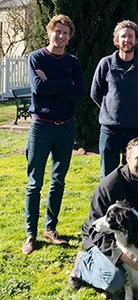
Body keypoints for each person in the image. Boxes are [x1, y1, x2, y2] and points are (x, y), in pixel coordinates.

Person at [21, 15, 86, 255]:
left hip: (66, 127)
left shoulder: (73, 62)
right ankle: (31, 235)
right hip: (41, 127)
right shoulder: (36, 57)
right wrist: (66, 84)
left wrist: (56, 85)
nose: (60, 36)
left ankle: (51, 228)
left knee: (58, 181)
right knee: (34, 182)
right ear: (49, 32)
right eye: (57, 31)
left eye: (65, 33)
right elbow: (38, 89)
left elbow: (79, 91)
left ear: (69, 37)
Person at [68, 137, 138, 295]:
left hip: (127, 235)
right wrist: (123, 257)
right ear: (127, 158)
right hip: (99, 236)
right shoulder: (110, 186)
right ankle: (82, 264)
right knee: (115, 280)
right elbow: (95, 230)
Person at [90, 20, 138, 179]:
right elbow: (95, 92)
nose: (127, 40)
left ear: (137, 40)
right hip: (109, 129)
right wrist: (110, 110)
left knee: (134, 173)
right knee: (108, 175)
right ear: (117, 40)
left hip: (135, 128)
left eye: (131, 36)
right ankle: (108, 204)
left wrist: (136, 109)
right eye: (123, 36)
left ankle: (131, 204)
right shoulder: (105, 63)